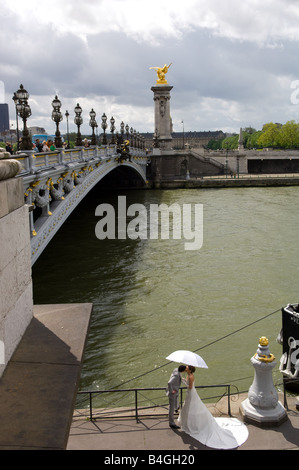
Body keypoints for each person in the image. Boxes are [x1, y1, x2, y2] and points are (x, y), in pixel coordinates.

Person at [178, 365, 248, 449]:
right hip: (190, 393)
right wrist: (183, 380)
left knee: (190, 407)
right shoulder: (189, 375)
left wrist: (183, 381)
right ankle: (189, 424)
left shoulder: (191, 376)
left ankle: (191, 425)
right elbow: (188, 383)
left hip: (191, 392)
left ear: (189, 370)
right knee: (189, 408)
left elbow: (189, 386)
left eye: (187, 367)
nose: (185, 368)